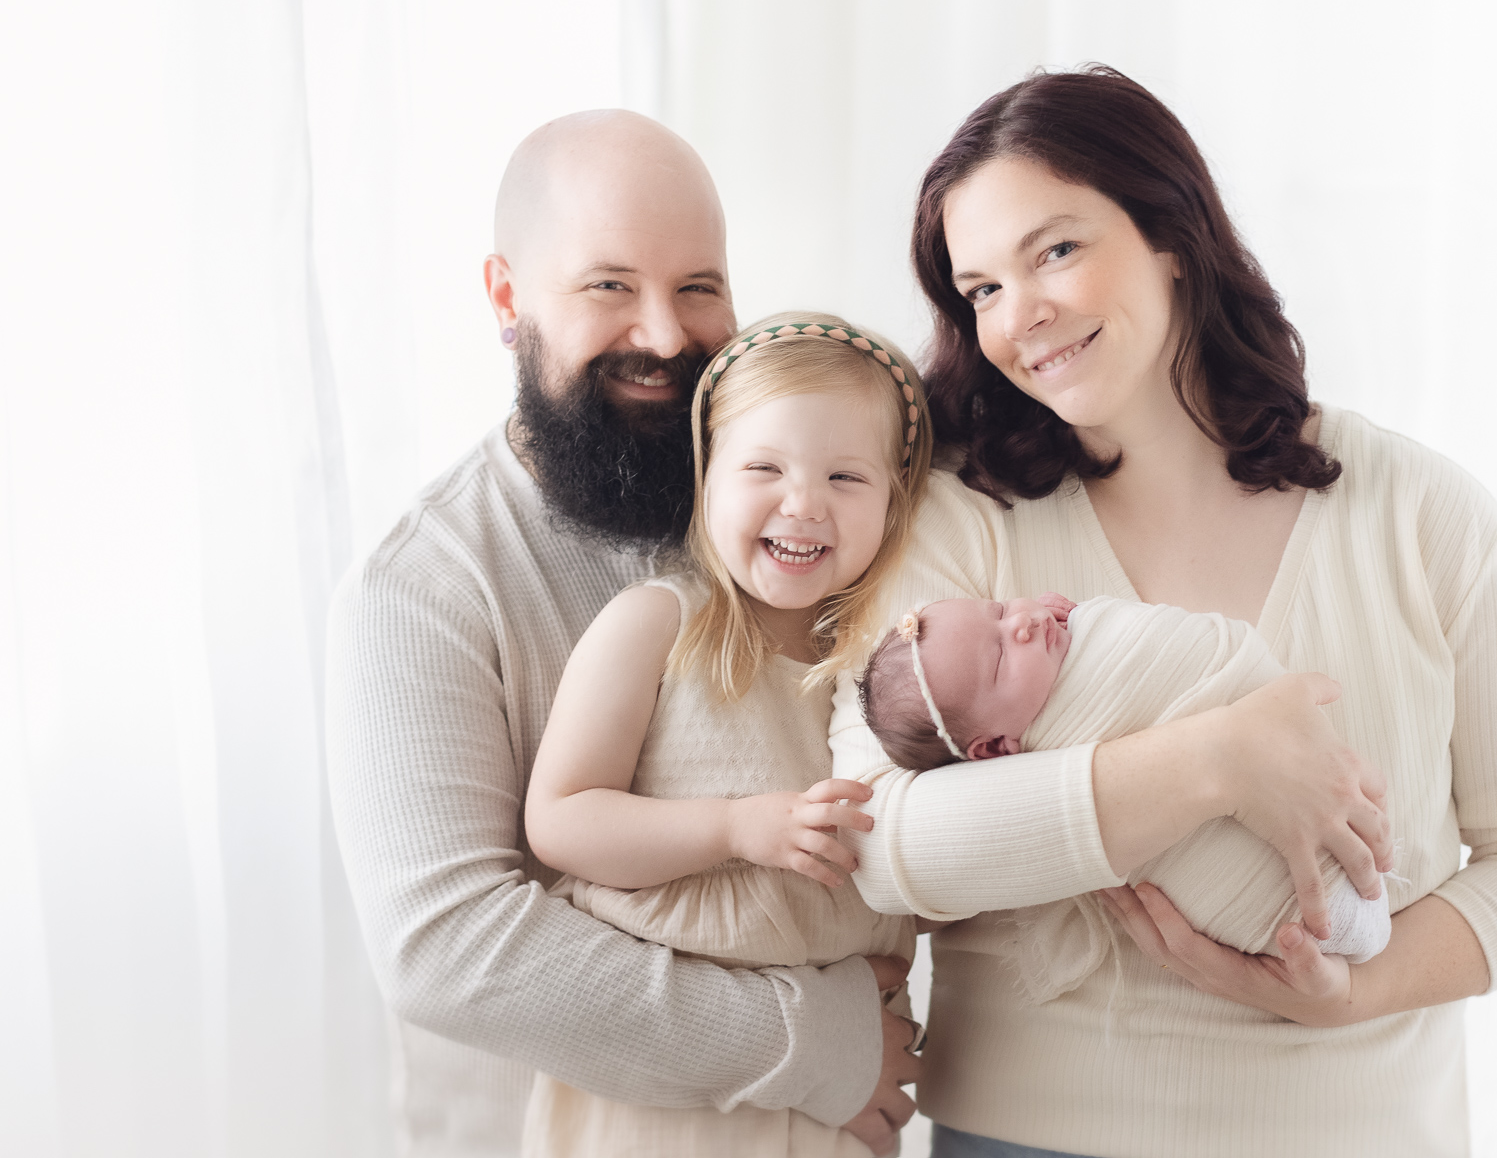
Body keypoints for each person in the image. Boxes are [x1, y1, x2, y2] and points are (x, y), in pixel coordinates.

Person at [829, 67, 1497, 1157]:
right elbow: (876, 841)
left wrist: (1353, 989)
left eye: (1055, 250)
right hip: (1033, 1132)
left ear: (1172, 234)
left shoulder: (1423, 516)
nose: (1021, 317)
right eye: (982, 290)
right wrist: (1214, 761)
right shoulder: (969, 524)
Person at [326, 113, 919, 1158]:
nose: (662, 334)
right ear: (508, 299)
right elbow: (446, 947)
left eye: (699, 288)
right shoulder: (420, 586)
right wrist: (816, 1040)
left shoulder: (787, 505)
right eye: (609, 286)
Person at [517, 314, 933, 1157]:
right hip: (660, 1092)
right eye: (764, 467)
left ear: (894, 504)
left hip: (835, 1099)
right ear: (708, 477)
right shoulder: (657, 624)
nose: (804, 502)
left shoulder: (883, 670)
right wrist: (736, 826)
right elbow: (561, 821)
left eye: (847, 477)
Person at [856, 591, 1390, 1007]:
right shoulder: (953, 516)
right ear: (996, 748)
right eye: (999, 657)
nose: (1022, 620)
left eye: (997, 608)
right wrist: (1226, 752)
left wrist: (1351, 1002)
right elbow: (876, 850)